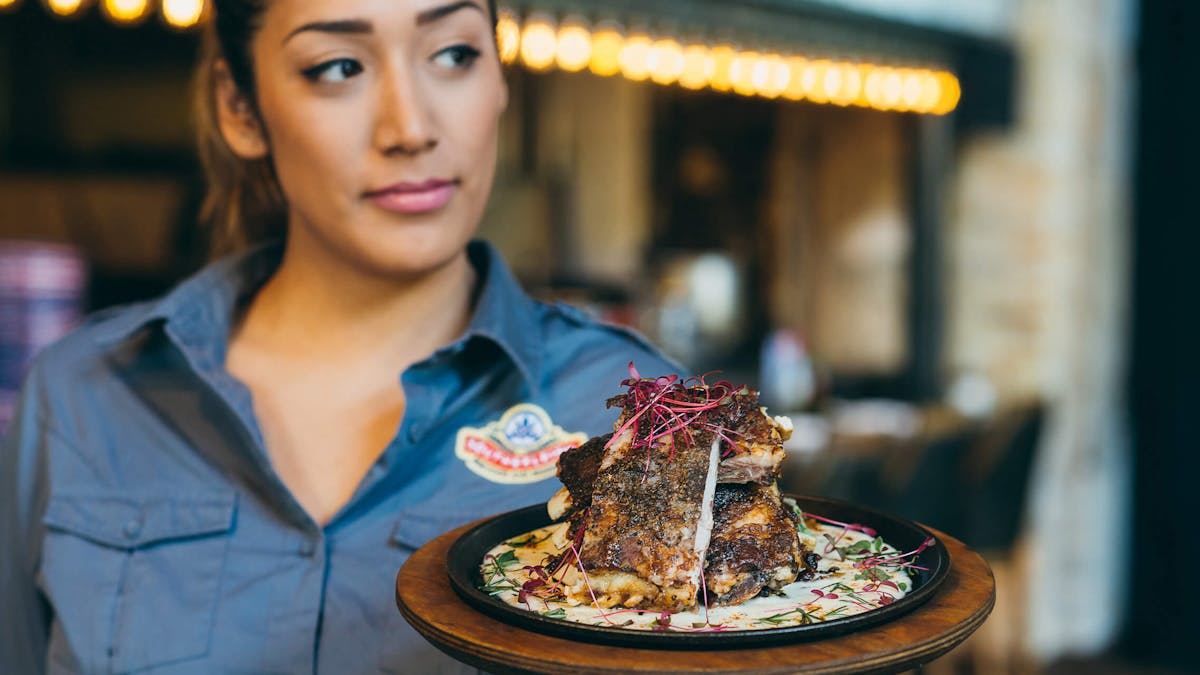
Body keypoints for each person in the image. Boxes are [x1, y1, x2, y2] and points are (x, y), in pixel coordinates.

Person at [0, 0, 678, 672]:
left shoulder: (636, 412)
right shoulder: (83, 397)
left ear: (499, 77)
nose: (411, 127)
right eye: (339, 66)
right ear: (241, 107)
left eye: (454, 54)